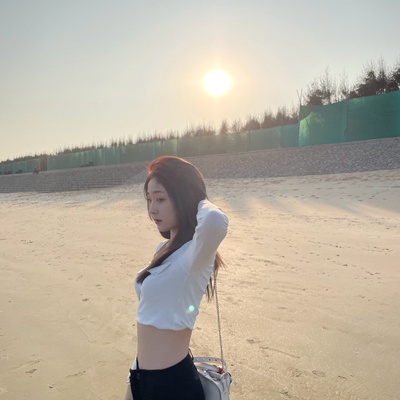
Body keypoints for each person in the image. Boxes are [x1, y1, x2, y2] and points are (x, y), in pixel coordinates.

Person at [124, 156, 229, 400]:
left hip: (173, 386)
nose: (152, 209)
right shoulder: (163, 249)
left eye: (160, 199)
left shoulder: (195, 256)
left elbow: (214, 220)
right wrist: (134, 380)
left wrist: (196, 196)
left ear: (183, 197)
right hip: (142, 379)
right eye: (149, 199)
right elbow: (148, 324)